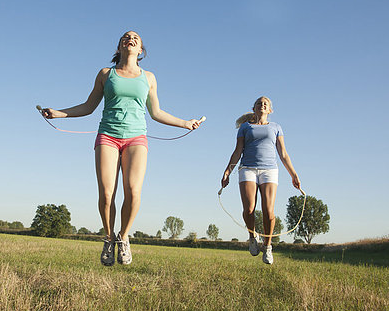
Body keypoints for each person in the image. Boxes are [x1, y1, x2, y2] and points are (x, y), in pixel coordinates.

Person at [41, 31, 203, 266]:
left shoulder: (148, 77)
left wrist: (185, 123)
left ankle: (124, 237)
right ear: (119, 47)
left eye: (136, 37)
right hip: (108, 136)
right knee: (107, 194)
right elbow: (88, 106)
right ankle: (108, 238)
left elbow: (156, 113)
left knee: (133, 191)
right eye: (126, 37)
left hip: (136, 138)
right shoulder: (106, 74)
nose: (131, 38)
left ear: (141, 50)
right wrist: (58, 113)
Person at [220, 96, 300, 264]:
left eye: (265, 103)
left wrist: (293, 174)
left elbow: (283, 154)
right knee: (249, 209)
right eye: (259, 103)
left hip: (269, 170)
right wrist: (228, 171)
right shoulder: (245, 127)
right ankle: (252, 237)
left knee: (268, 211)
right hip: (247, 169)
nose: (262, 105)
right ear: (254, 108)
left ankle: (268, 246)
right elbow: (237, 151)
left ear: (269, 110)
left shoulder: (276, 127)